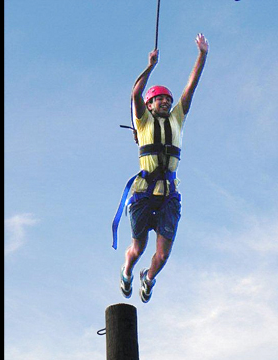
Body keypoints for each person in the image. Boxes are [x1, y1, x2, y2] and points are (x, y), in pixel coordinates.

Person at [120, 33, 208, 303]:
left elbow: (190, 89)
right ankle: (127, 271)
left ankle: (148, 278)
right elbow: (134, 92)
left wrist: (202, 56)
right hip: (143, 192)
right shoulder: (143, 121)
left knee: (163, 254)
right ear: (149, 104)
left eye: (168, 100)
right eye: (160, 99)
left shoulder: (177, 120)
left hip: (169, 193)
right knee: (139, 246)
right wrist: (150, 66)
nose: (166, 102)